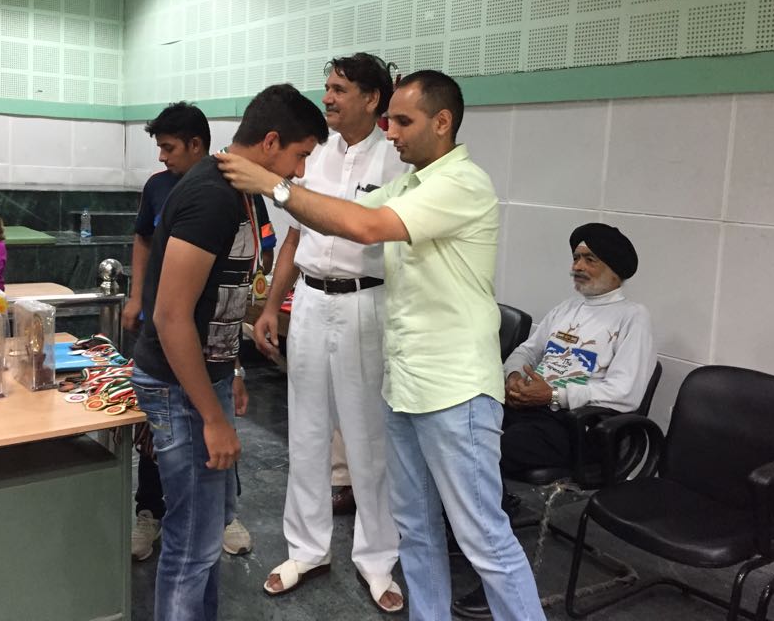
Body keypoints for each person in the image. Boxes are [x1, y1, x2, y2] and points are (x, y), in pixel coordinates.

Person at [218, 70, 545, 621]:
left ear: (442, 122)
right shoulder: (411, 183)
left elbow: (368, 229)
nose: (391, 132)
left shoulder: (462, 183)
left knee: (483, 538)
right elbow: (342, 218)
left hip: (454, 389)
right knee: (415, 526)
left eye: (403, 121)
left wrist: (272, 184)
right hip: (406, 380)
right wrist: (276, 186)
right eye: (389, 120)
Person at [131, 84, 327, 621]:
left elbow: (218, 299)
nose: (301, 171)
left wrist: (230, 367)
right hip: (178, 387)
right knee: (192, 543)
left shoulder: (241, 191)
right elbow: (172, 316)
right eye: (300, 155)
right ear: (271, 141)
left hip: (202, 377)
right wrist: (212, 417)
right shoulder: (211, 196)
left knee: (206, 533)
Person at [253, 53, 408, 612]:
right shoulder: (314, 154)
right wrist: (270, 307)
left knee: (369, 439)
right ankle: (307, 549)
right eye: (328, 87)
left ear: (372, 98)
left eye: (340, 89)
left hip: (367, 302)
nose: (329, 98)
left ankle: (377, 558)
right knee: (307, 431)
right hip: (311, 301)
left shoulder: (396, 160)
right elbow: (294, 239)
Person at [452, 222, 656, 619]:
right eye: (576, 258)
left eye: (589, 259)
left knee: (482, 449)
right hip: (531, 408)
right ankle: (468, 530)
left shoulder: (633, 318)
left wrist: (554, 395)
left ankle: (500, 577)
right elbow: (526, 350)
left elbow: (626, 392)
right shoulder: (566, 309)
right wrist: (514, 376)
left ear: (614, 269)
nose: (577, 266)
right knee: (457, 427)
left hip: (579, 428)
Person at [121, 101, 276, 561]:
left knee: (218, 430)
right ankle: (149, 511)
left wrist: (237, 365)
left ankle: (224, 514)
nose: (162, 156)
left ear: (196, 145)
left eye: (169, 147)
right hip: (164, 329)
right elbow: (143, 241)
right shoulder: (159, 187)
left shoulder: (239, 189)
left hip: (215, 342)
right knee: (161, 431)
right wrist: (137, 296)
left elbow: (251, 264)